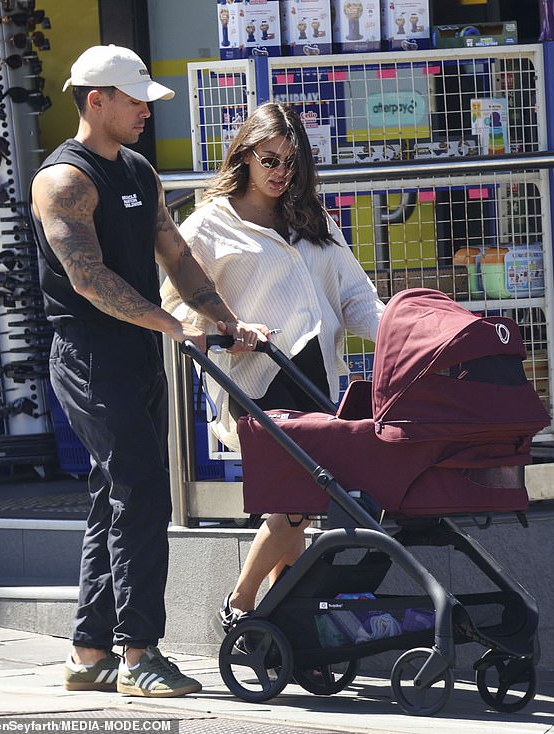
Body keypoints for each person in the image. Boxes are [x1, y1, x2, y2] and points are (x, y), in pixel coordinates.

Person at [29, 45, 266, 697]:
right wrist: (172, 324)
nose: (144, 111)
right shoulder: (64, 180)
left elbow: (177, 254)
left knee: (115, 496)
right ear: (95, 99)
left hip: (138, 351)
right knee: (140, 492)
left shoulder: (137, 170)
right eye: (133, 100)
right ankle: (139, 657)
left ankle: (88, 653)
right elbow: (88, 277)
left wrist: (222, 317)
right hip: (89, 356)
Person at [161, 101, 386, 632]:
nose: (281, 173)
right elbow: (172, 304)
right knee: (294, 507)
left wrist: (406, 333)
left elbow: (356, 298)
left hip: (315, 377)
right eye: (270, 160)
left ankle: (289, 618)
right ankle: (239, 603)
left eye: (292, 163)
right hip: (255, 381)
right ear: (244, 156)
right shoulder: (209, 226)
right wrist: (225, 332)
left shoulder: (313, 217)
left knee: (303, 505)